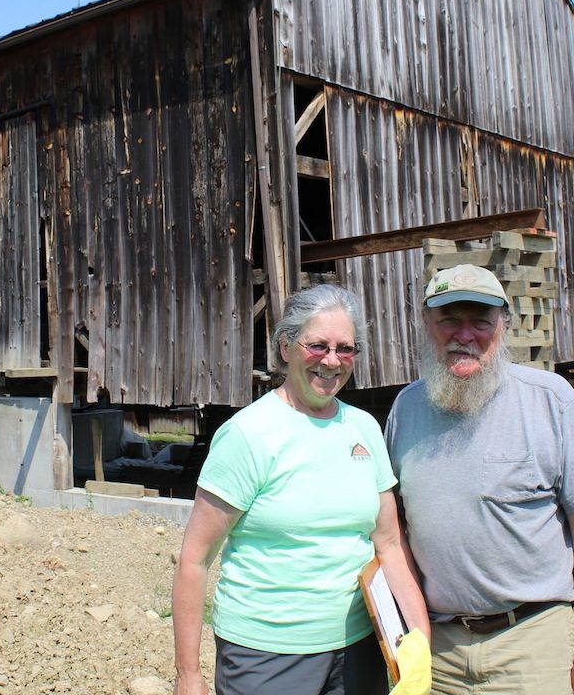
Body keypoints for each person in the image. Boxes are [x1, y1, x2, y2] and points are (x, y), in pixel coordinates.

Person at [172, 284, 432, 695]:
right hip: (266, 655)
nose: (331, 360)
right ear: (285, 347)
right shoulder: (248, 434)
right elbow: (195, 558)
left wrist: (419, 640)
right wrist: (188, 674)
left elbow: (389, 544)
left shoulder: (364, 428)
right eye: (318, 346)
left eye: (345, 349)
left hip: (359, 649)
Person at [385, 264, 574, 695]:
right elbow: (393, 530)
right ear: (426, 323)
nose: (464, 335)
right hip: (437, 648)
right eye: (449, 320)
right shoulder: (406, 409)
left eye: (480, 322)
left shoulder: (551, 401)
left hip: (531, 641)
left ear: (503, 326)